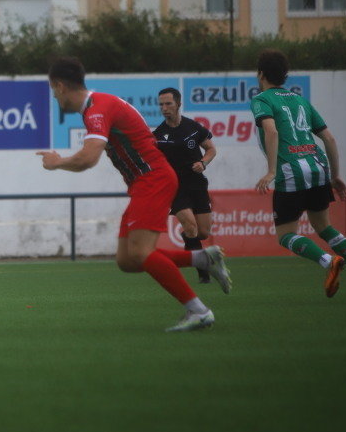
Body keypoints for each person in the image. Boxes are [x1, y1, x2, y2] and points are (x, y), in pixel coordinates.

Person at [38, 57, 230, 332]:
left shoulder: (96, 109)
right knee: (127, 260)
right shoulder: (97, 106)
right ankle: (201, 258)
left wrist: (58, 162)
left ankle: (198, 310)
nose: (54, 96)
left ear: (59, 85)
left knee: (140, 252)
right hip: (145, 183)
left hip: (153, 179)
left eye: (53, 90)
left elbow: (88, 159)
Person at [251, 49, 346, 302]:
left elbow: (271, 132)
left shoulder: (262, 99)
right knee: (323, 226)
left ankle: (328, 261)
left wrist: (272, 170)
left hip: (291, 172)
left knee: (285, 235)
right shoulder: (300, 101)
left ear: (260, 74)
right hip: (318, 169)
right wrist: (335, 175)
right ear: (284, 75)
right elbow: (328, 137)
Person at [153, 87, 217, 284]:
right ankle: (203, 272)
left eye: (168, 104)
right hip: (175, 188)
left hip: (197, 184)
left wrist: (203, 163)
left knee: (203, 232)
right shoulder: (158, 135)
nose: (164, 108)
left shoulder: (193, 127)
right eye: (161, 104)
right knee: (190, 226)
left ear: (179, 104)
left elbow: (211, 149)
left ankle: (189, 239)